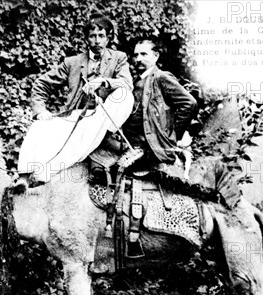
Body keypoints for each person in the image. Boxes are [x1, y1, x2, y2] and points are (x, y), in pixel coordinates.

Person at [16, 13, 134, 187]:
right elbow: (41, 84)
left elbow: (126, 84)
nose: (97, 40)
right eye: (92, 36)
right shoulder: (72, 62)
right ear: (86, 39)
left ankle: (46, 172)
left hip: (104, 116)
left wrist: (103, 81)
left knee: (125, 95)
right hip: (75, 117)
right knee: (39, 126)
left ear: (108, 38)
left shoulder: (118, 58)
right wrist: (41, 110)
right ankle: (24, 178)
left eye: (101, 36)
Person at [119, 39, 198, 174]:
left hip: (151, 147)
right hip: (131, 143)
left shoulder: (161, 77)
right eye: (136, 55)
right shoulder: (136, 81)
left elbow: (189, 103)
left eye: (144, 54)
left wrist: (171, 135)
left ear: (156, 56)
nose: (138, 59)